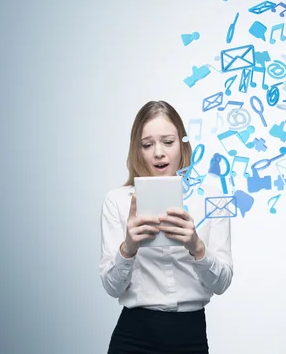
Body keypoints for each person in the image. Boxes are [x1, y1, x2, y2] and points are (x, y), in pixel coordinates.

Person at [99, 100, 233, 353]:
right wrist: (128, 248)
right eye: (147, 144)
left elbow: (222, 283)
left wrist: (197, 247)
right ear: (137, 151)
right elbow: (111, 287)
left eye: (168, 142)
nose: (158, 152)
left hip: (190, 336)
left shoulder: (213, 198)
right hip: (133, 337)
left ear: (182, 144)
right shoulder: (116, 200)